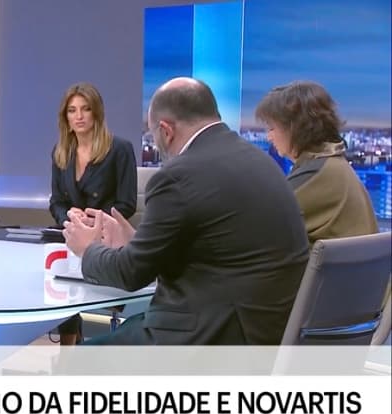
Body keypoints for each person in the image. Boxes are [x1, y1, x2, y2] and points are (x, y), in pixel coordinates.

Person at [63, 77, 309, 346]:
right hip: (268, 330)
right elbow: (216, 249)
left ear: (166, 130)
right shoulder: (259, 160)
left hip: (218, 335)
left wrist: (88, 248)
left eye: (153, 135)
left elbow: (130, 274)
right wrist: (137, 243)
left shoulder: (178, 175)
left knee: (80, 358)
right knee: (129, 327)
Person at [49, 82, 137, 345]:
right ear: (65, 117)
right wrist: (68, 216)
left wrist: (94, 220)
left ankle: (89, 351)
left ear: (96, 112)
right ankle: (68, 350)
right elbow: (56, 202)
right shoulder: (61, 153)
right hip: (71, 239)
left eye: (85, 109)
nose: (79, 116)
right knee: (58, 284)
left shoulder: (119, 149)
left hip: (104, 243)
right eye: (72, 110)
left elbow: (127, 203)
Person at [255, 80, 378, 242]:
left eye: (272, 128)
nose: (269, 137)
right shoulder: (332, 163)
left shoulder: (316, 173)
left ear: (295, 128)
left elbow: (260, 224)